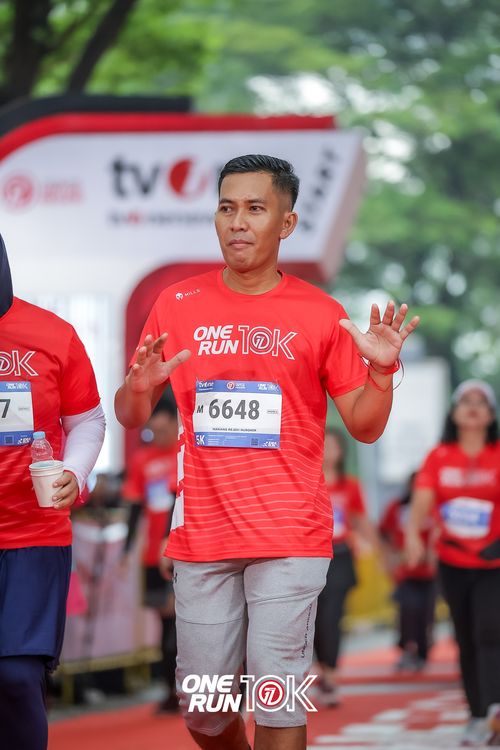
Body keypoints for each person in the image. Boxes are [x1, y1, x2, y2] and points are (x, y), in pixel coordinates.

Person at [115, 154, 419, 750]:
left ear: (287, 223)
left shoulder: (321, 313)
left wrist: (381, 373)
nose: (237, 222)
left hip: (289, 533)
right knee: (204, 711)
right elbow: (131, 414)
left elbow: (363, 427)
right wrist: (138, 387)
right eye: (226, 208)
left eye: (255, 208)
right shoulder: (176, 304)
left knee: (278, 697)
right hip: (203, 532)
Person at [0, 234, 106, 749]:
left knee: (16, 678)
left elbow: (87, 419)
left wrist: (75, 472)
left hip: (32, 536)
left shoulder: (50, 334)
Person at [405, 379, 500, 747]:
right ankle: (477, 713)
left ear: (491, 414)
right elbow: (422, 500)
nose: (473, 406)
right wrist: (414, 536)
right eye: (465, 401)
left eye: (481, 402)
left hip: (494, 561)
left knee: (490, 632)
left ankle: (493, 708)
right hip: (453, 559)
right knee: (466, 637)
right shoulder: (439, 456)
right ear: (454, 412)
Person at [314, 426, 380, 706]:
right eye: (324, 445)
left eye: (333, 445)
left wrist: (379, 551)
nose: (328, 451)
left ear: (342, 452)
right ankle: (321, 669)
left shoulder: (350, 485)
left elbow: (360, 520)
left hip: (340, 557)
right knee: (312, 619)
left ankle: (331, 674)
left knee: (332, 617)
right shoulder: (306, 479)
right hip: (310, 556)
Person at [120, 396, 179, 713]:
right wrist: (126, 550)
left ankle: (193, 690)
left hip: (183, 553)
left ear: (174, 421)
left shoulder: (185, 451)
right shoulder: (142, 460)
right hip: (152, 557)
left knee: (184, 623)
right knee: (166, 624)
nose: (155, 428)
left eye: (161, 421)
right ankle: (171, 690)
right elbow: (134, 507)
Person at [379, 472, 437, 672]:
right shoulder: (397, 507)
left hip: (430, 572)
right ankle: (407, 648)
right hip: (406, 571)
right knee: (408, 609)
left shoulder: (436, 507)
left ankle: (423, 651)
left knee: (426, 612)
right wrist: (390, 556)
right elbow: (383, 532)